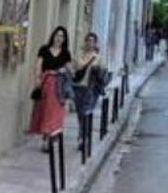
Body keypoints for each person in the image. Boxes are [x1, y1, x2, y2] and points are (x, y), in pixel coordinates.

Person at [28, 25, 70, 140]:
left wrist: (65, 70)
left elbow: (69, 69)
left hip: (59, 85)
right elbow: (38, 65)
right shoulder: (44, 49)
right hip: (46, 82)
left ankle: (53, 132)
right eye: (57, 35)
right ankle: (47, 134)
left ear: (64, 39)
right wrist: (37, 79)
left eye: (62, 36)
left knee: (56, 110)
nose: (59, 38)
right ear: (53, 36)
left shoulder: (65, 53)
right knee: (46, 109)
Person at [71, 33, 108, 163]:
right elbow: (74, 69)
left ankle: (83, 138)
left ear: (95, 43)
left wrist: (97, 70)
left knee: (86, 112)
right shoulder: (79, 56)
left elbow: (103, 73)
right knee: (80, 113)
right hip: (78, 87)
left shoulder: (98, 58)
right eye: (88, 40)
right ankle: (82, 134)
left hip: (90, 89)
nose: (89, 43)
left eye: (92, 41)